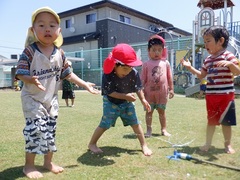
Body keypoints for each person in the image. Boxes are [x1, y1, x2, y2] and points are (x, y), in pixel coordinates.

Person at [15, 7, 99, 179]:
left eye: (52, 25)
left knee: (50, 130)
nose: (47, 29)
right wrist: (29, 79)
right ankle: (29, 165)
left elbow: (67, 73)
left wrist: (84, 85)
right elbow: (19, 72)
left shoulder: (59, 53)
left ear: (59, 31)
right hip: (32, 99)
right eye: (42, 25)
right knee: (36, 129)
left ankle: (48, 162)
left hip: (50, 100)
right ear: (33, 30)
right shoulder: (30, 51)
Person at [181, 25, 240, 154]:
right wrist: (190, 67)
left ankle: (228, 145)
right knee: (211, 121)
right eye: (205, 41)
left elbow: (237, 71)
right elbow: (202, 75)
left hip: (226, 96)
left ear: (220, 41)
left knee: (227, 122)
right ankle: (208, 143)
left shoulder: (228, 56)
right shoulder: (207, 60)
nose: (205, 44)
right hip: (211, 96)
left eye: (208, 41)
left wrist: (230, 65)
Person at [88, 43, 152, 156]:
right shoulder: (108, 75)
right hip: (110, 102)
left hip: (126, 103)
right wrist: (125, 96)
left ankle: (144, 145)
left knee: (135, 123)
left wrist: (143, 99)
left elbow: (138, 87)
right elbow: (110, 92)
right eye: (125, 69)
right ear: (115, 65)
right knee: (104, 124)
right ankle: (92, 144)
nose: (127, 72)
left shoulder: (133, 73)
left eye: (130, 68)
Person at [141, 35, 174, 137]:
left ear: (163, 51)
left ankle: (163, 129)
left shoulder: (165, 63)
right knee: (149, 112)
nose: (157, 53)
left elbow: (169, 77)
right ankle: (149, 130)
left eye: (159, 50)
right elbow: (143, 79)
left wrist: (171, 89)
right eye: (154, 50)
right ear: (148, 50)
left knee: (162, 112)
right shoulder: (146, 64)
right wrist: (141, 90)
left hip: (162, 93)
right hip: (149, 93)